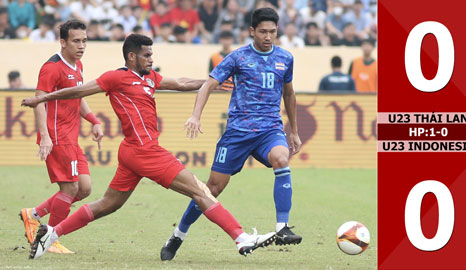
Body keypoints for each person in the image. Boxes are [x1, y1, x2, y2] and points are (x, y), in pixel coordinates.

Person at [22, 33, 276, 260]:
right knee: (200, 190)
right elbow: (78, 92)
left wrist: (216, 80)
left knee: (108, 204)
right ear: (132, 56)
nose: (151, 59)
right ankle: (241, 238)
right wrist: (43, 98)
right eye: (147, 55)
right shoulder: (115, 78)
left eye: (152, 54)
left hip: (133, 151)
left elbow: (183, 83)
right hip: (144, 150)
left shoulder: (150, 78)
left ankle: (51, 234)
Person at [160, 7, 302, 261]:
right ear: (251, 31)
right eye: (262, 32)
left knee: (282, 158)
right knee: (211, 189)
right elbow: (209, 85)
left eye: (272, 31)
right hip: (238, 132)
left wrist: (294, 131)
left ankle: (282, 227)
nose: (268, 36)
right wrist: (195, 115)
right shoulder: (237, 58)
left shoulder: (286, 58)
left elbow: (289, 94)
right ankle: (178, 234)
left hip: (270, 129)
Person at [19, 19, 104, 255]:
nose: (82, 45)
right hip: (56, 136)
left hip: (71, 136)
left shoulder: (78, 65)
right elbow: (38, 102)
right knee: (69, 189)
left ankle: (32, 215)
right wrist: (45, 136)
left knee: (84, 188)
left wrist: (94, 121)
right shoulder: (52, 67)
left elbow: (78, 96)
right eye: (76, 41)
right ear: (63, 41)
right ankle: (50, 238)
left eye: (84, 40)